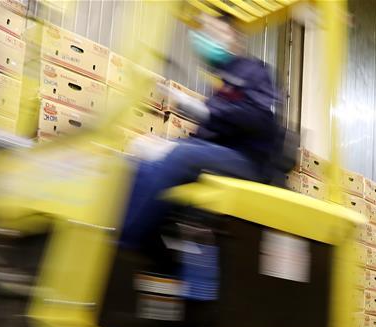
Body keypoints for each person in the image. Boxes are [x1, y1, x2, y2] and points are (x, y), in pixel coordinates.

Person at [119, 13, 280, 251]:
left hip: (248, 160)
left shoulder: (254, 71)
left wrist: (204, 112)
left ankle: (125, 245)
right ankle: (152, 247)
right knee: (142, 159)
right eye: (205, 32)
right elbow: (208, 131)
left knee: (181, 156)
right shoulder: (224, 79)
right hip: (222, 152)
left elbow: (258, 117)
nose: (206, 37)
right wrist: (167, 143)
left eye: (214, 32)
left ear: (233, 36)